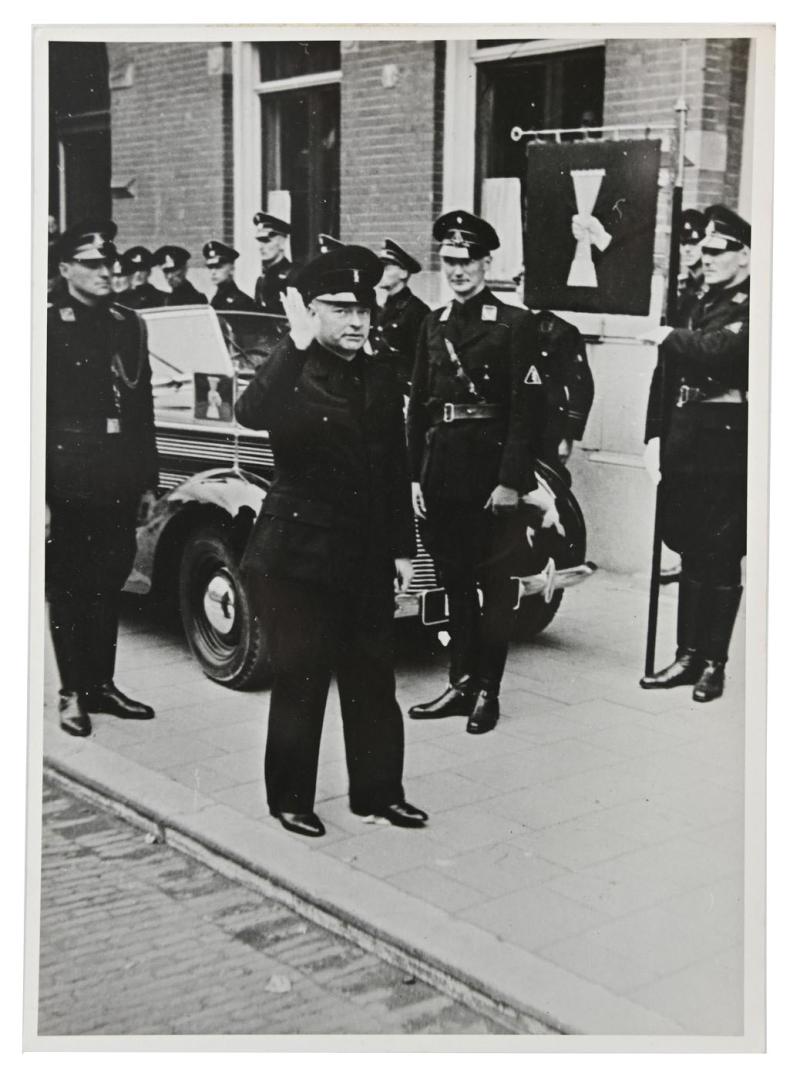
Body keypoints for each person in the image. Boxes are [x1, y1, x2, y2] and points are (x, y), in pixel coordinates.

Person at [234, 244, 428, 839]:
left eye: (363, 309)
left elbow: (392, 467)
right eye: (340, 309)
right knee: (303, 675)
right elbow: (250, 411)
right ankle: (290, 798)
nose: (356, 320)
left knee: (373, 677)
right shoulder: (291, 368)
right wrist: (291, 345)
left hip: (366, 552)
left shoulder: (376, 372)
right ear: (311, 311)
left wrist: (402, 548)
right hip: (299, 557)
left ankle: (378, 794)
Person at [406, 211, 557, 734]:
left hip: (491, 480)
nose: (457, 270)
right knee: (452, 583)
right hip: (442, 474)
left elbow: (525, 412)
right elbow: (419, 408)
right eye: (449, 261)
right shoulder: (434, 323)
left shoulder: (515, 324)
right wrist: (413, 478)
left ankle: (488, 691)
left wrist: (512, 481)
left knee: (493, 587)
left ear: (486, 262)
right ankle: (460, 681)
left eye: (467, 260)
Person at [46, 219, 158, 737]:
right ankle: (71, 691)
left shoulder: (128, 323)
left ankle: (102, 685)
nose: (107, 272)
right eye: (92, 264)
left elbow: (142, 408)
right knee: (69, 584)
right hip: (65, 474)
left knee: (110, 577)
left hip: (117, 472)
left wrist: (148, 482)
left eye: (109, 263)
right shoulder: (45, 322)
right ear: (65, 267)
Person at [639, 205, 750, 703]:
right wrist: (653, 434)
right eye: (702, 251)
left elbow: (719, 352)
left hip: (725, 446)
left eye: (716, 252)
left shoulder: (753, 301)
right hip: (684, 441)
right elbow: (665, 373)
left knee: (721, 554)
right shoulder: (693, 297)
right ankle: (686, 656)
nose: (705, 259)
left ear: (744, 256)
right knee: (688, 550)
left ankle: (713, 664)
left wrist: (669, 335)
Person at [513, 268, 594, 477]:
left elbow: (581, 387)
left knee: (548, 484)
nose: (521, 288)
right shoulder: (509, 325)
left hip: (548, 425)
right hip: (511, 424)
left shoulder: (563, 332)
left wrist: (568, 437)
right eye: (519, 282)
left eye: (527, 282)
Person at [372, 238, 430, 393]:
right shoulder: (382, 307)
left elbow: (422, 360)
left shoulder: (417, 310)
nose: (380, 272)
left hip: (402, 391)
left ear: (404, 273)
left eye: (386, 267)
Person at [253, 213, 293, 315]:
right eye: (260, 241)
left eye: (266, 241)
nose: (261, 247)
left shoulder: (294, 275)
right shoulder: (261, 280)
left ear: (282, 243)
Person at [203, 240, 258, 311]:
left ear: (231, 269)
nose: (213, 272)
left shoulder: (242, 302)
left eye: (218, 266)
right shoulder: (215, 299)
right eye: (210, 267)